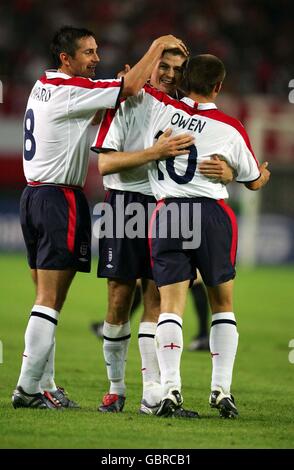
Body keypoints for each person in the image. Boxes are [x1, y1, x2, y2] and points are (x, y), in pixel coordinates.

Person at [11, 25, 189, 409]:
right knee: (51, 301)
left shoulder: (44, 84)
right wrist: (156, 44)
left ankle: (44, 385)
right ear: (66, 58)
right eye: (89, 53)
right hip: (61, 198)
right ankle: (27, 389)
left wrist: (126, 85)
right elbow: (121, 95)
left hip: (33, 197)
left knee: (46, 302)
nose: (96, 59)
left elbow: (91, 112)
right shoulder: (72, 90)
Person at [93, 54, 270, 418]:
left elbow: (133, 89)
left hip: (168, 212)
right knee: (222, 304)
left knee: (167, 306)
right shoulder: (231, 127)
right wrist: (237, 171)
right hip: (212, 215)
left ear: (183, 78)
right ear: (219, 87)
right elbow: (253, 181)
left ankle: (170, 389)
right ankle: (221, 391)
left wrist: (130, 75)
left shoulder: (160, 109)